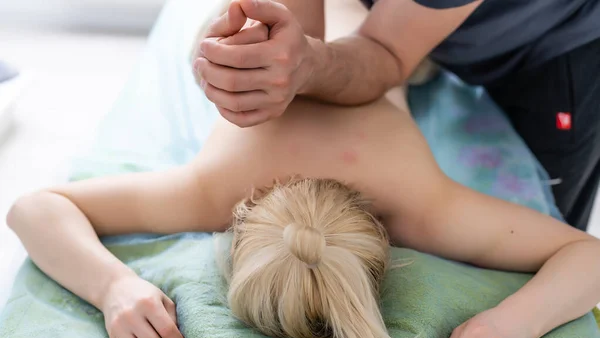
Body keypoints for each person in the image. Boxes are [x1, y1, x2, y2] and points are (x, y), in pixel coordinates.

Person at [8, 15, 600, 338]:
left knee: (259, 37)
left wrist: (115, 287)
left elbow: (37, 208)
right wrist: (513, 324)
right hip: (336, 34)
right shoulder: (217, 192)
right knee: (247, 36)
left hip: (375, 38)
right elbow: (33, 208)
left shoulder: (415, 206)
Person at [193, 0, 600, 233]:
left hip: (553, 49)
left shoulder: (201, 191)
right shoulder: (425, 205)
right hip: (421, 23)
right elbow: (296, 27)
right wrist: (271, 54)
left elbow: (385, 51)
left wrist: (312, 63)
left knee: (555, 203)